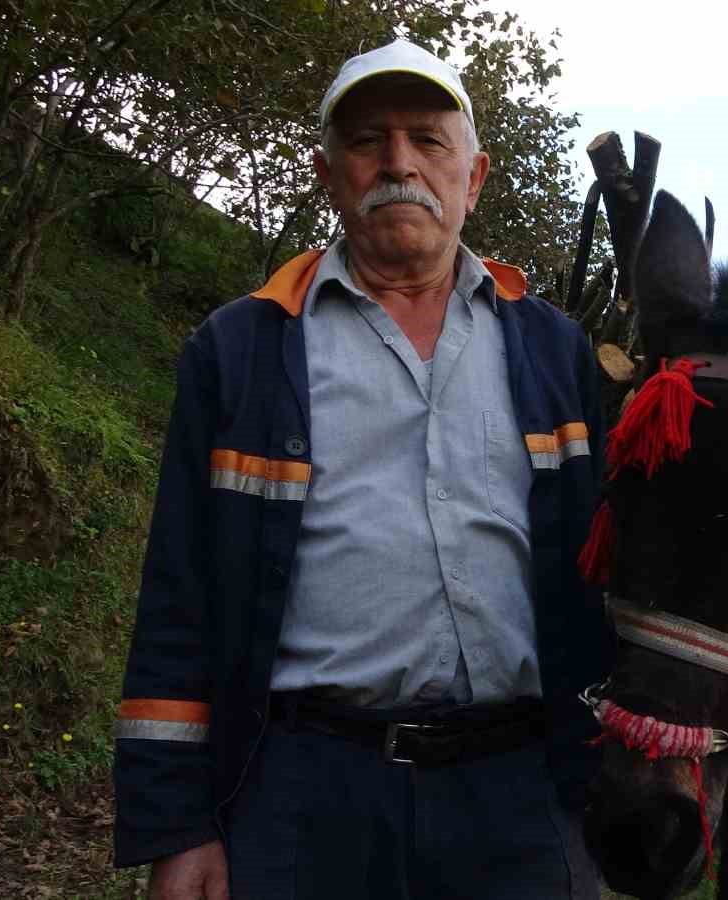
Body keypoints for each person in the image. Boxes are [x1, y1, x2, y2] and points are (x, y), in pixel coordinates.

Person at [111, 37, 613, 899]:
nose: (399, 164)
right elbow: (180, 594)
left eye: (427, 139)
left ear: (475, 176)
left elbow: (613, 569)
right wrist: (178, 824)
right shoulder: (243, 348)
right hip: (302, 793)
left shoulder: (556, 351)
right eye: (367, 140)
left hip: (520, 793)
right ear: (325, 173)